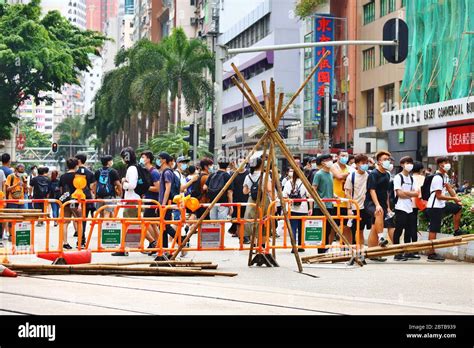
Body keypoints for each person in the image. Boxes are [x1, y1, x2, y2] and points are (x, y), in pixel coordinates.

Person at [425, 157, 466, 262]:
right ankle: (431, 253)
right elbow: (438, 196)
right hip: (434, 207)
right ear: (440, 165)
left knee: (457, 208)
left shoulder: (445, 176)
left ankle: (456, 231)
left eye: (448, 162)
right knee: (434, 229)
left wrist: (457, 201)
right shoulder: (437, 178)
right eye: (445, 162)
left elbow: (449, 188)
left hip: (441, 205)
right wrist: (453, 198)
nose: (448, 164)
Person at [364, 151, 394, 262]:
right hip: (371, 203)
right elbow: (372, 190)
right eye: (385, 159)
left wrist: (388, 207)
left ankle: (372, 253)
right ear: (379, 161)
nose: (387, 161)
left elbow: (386, 192)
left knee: (374, 227)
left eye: (388, 159)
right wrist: (377, 205)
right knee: (379, 213)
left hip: (382, 203)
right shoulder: (373, 174)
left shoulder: (387, 174)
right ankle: (381, 237)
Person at [113, 147, 140, 256]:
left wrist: (124, 183)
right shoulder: (133, 168)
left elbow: (132, 185)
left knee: (130, 224)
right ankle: (123, 248)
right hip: (131, 200)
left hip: (131, 200)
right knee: (132, 224)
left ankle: (154, 242)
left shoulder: (131, 169)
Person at [392, 156, 420, 261]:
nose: (409, 165)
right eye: (407, 163)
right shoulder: (398, 177)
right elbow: (399, 194)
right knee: (399, 230)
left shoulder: (412, 178)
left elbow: (417, 193)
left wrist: (406, 193)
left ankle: (408, 252)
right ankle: (397, 253)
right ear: (402, 164)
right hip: (400, 207)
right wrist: (410, 194)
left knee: (409, 230)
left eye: (410, 163)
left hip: (410, 207)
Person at [242, 157, 272, 244]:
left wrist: (252, 190)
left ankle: (254, 245)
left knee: (252, 222)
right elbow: (269, 189)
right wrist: (274, 200)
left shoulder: (248, 176)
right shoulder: (265, 175)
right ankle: (261, 245)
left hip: (252, 201)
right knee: (263, 222)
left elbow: (245, 191)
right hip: (264, 200)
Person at [344, 154, 370, 248]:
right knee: (357, 230)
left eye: (367, 163)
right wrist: (349, 208)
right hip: (356, 207)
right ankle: (358, 249)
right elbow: (348, 193)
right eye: (363, 163)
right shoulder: (352, 176)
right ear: (357, 164)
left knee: (362, 230)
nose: (365, 165)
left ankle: (361, 249)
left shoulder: (370, 175)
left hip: (367, 207)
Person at [312, 154, 336, 254]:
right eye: (328, 160)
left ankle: (325, 248)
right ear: (322, 162)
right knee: (321, 228)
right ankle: (321, 250)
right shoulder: (318, 174)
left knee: (328, 228)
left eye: (331, 159)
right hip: (320, 206)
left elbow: (329, 189)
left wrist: (334, 196)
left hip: (330, 205)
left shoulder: (330, 174)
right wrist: (319, 200)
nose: (330, 161)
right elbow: (313, 189)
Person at [283, 169, 311, 252]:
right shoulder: (305, 182)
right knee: (302, 228)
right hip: (303, 208)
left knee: (293, 228)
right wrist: (311, 208)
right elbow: (309, 196)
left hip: (291, 208)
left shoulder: (288, 182)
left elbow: (284, 196)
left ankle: (293, 246)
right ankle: (301, 246)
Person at [139, 151, 160, 253]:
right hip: (148, 201)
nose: (141, 159)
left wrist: (146, 187)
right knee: (152, 224)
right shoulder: (146, 172)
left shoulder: (154, 172)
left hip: (153, 201)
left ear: (148, 159)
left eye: (143, 157)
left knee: (146, 224)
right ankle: (158, 244)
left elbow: (158, 188)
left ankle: (155, 244)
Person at [75, 153, 97, 247]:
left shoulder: (75, 173)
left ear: (79, 160)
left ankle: (80, 240)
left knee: (79, 220)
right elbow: (92, 186)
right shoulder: (90, 173)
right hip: (87, 197)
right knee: (84, 220)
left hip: (77, 197)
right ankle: (82, 241)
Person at [331, 150, 352, 243]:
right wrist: (349, 174)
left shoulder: (349, 168)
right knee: (332, 226)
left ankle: (346, 247)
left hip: (346, 202)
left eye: (346, 156)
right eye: (342, 155)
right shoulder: (333, 166)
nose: (345, 158)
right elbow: (338, 176)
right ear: (338, 156)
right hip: (335, 202)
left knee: (346, 226)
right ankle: (328, 247)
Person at [59, 158, 80, 249]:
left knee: (65, 222)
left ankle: (65, 242)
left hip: (65, 201)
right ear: (76, 165)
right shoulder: (78, 176)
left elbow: (60, 189)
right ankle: (80, 242)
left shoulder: (63, 176)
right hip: (75, 200)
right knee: (79, 220)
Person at [158, 152, 178, 249]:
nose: (159, 161)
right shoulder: (166, 172)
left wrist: (163, 204)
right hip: (164, 202)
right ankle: (164, 248)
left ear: (164, 160)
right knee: (163, 227)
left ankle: (182, 240)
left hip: (166, 203)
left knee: (165, 225)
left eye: (160, 159)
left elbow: (168, 188)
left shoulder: (167, 172)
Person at [5, 164, 28, 239]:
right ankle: (11, 235)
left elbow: (25, 190)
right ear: (16, 170)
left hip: (21, 201)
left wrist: (25, 185)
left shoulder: (23, 177)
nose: (21, 173)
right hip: (12, 201)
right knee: (12, 219)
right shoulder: (10, 177)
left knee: (20, 219)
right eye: (19, 171)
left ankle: (17, 235)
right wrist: (16, 184)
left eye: (22, 171)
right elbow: (7, 189)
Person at [227, 159, 249, 237]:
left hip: (246, 199)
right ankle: (237, 231)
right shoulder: (233, 174)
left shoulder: (248, 174)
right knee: (235, 216)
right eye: (239, 162)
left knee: (244, 216)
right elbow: (230, 189)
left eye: (242, 162)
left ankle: (242, 233)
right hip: (235, 198)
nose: (241, 164)